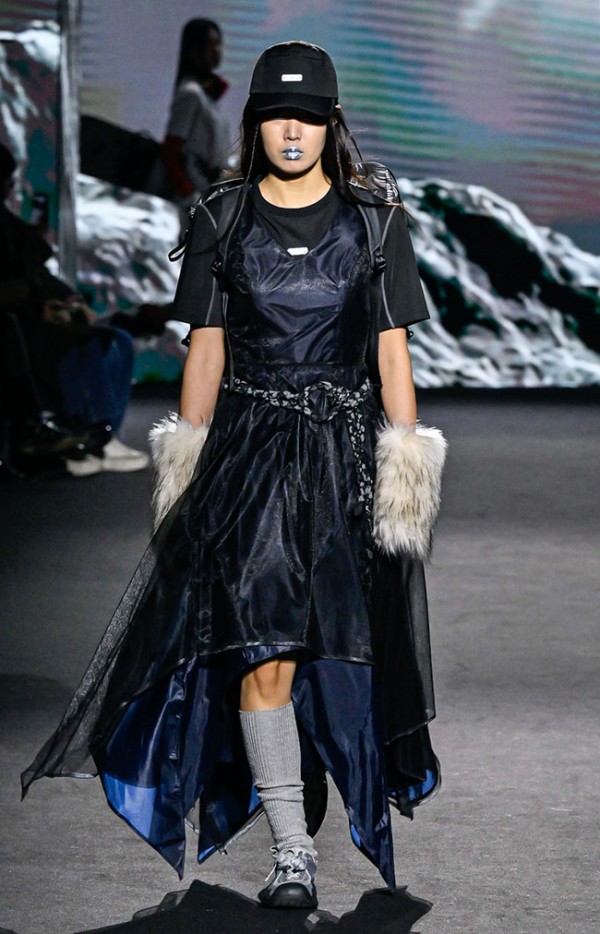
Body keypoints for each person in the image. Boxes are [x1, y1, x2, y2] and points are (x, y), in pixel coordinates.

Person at [22, 43, 446, 910]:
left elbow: (392, 353)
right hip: (249, 459)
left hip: (342, 460)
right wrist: (184, 466)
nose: (291, 131)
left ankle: (303, 782)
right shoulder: (223, 216)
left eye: (308, 117)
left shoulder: (374, 222)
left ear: (331, 124)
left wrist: (405, 466)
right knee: (263, 648)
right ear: (255, 124)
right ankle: (293, 851)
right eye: (277, 116)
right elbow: (207, 353)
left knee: (335, 656)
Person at [0, 142, 149, 475]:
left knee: (116, 339)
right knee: (80, 343)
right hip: (24, 320)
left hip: (32, 313)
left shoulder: (11, 226)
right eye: (7, 180)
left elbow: (36, 271)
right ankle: (87, 432)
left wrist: (70, 301)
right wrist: (37, 304)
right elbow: (19, 282)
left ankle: (106, 431)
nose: (10, 187)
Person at [159, 19, 231, 227]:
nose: (217, 50)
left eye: (219, 44)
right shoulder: (190, 94)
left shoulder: (208, 96)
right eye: (210, 44)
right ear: (193, 50)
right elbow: (170, 153)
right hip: (193, 203)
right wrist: (190, 195)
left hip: (211, 197)